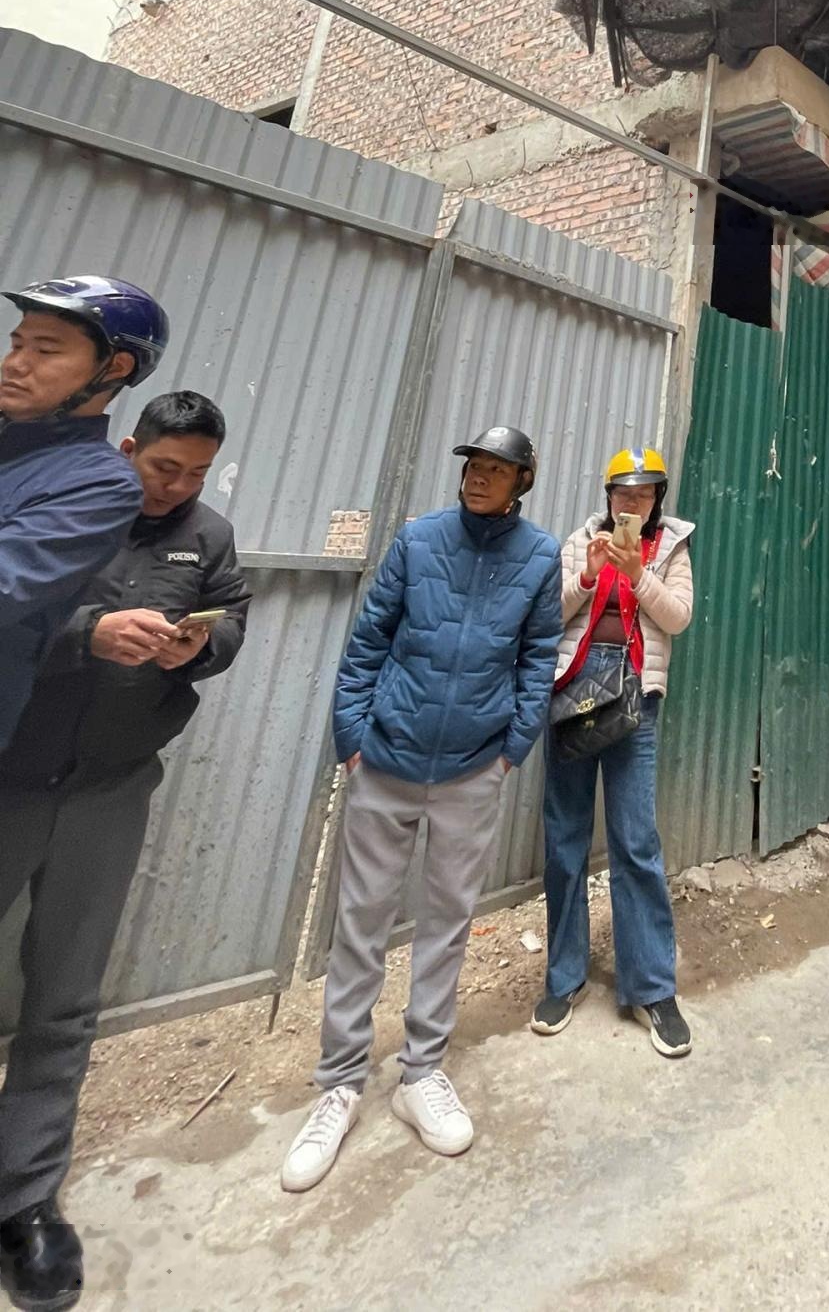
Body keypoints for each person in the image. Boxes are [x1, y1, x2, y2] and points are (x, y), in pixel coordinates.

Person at [0, 391, 247, 1312]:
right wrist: (85, 636)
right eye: (163, 467)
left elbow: (232, 614)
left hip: (110, 789)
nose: (175, 487)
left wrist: (200, 645)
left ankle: (26, 1201)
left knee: (64, 999)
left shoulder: (207, 535)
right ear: (129, 444)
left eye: (195, 474)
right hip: (12, 773)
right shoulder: (63, 498)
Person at [280, 424, 562, 1195]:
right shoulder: (419, 539)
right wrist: (352, 736)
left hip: (473, 769)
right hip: (388, 759)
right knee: (361, 921)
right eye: (473, 465)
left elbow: (539, 655)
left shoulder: (540, 557)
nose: (479, 477)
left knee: (446, 924)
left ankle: (421, 1073)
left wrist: (511, 748)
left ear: (522, 480)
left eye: (496, 468)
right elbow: (368, 639)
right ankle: (340, 1082)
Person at [531, 445, 695, 1059]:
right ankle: (564, 979)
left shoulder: (672, 548)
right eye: (624, 492)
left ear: (657, 499)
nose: (633, 502)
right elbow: (547, 618)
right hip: (573, 694)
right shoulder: (581, 542)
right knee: (565, 838)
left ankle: (652, 988)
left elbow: (677, 619)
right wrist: (589, 576)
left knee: (636, 842)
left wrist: (637, 574)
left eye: (644, 493)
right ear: (608, 496)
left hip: (634, 700)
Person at [1, 276, 169, 757]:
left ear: (115, 366)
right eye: (17, 344)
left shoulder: (100, 485)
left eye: (46, 351)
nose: (15, 363)